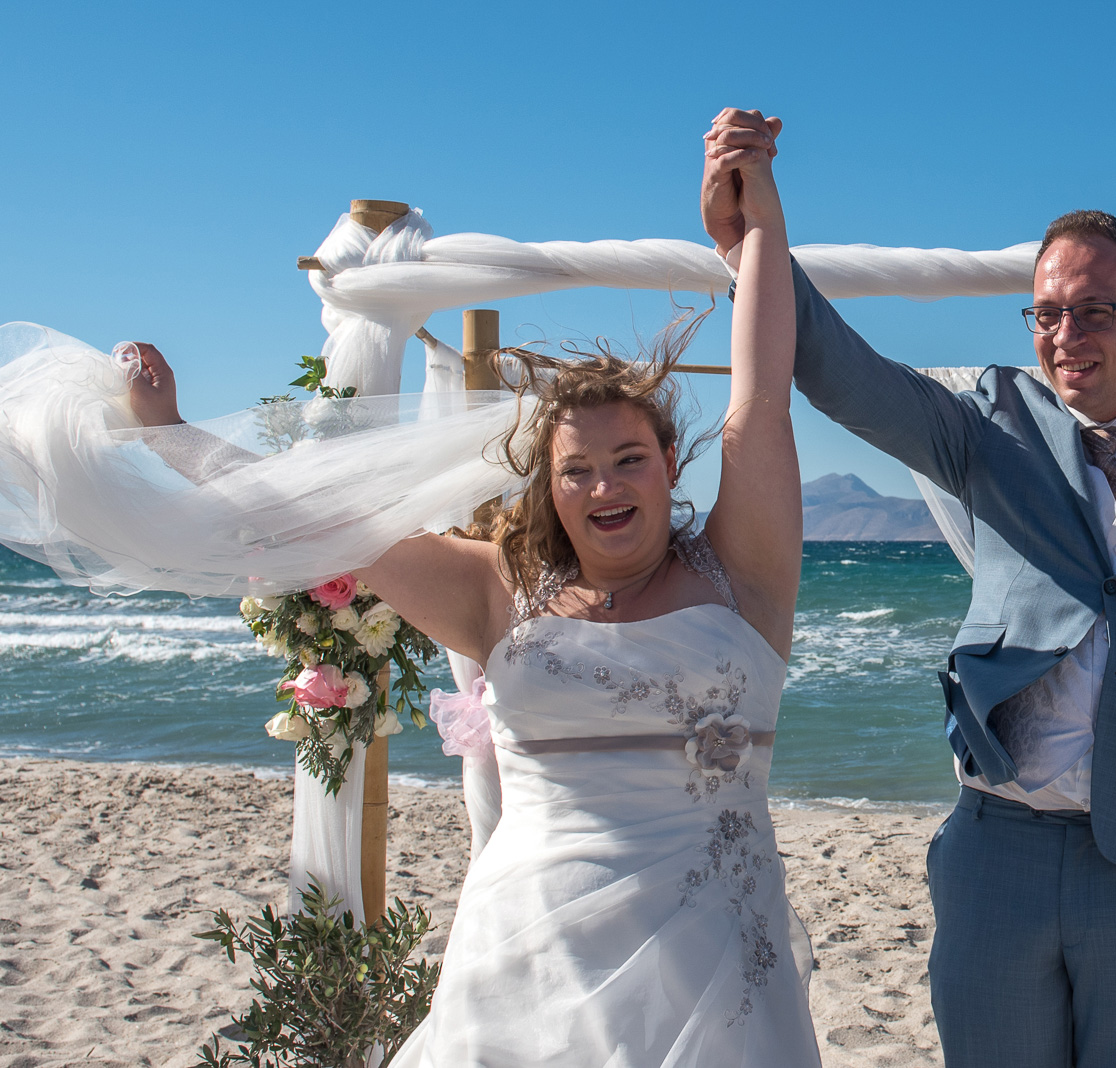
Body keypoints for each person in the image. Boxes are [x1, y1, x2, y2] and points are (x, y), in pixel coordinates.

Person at [25, 130, 818, 1067]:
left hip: (716, 973)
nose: (606, 488)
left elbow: (760, 401)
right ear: (549, 487)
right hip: (530, 963)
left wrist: (754, 227)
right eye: (579, 471)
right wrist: (171, 436)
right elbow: (305, 515)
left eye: (628, 460)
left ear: (669, 464)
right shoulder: (496, 590)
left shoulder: (744, 575)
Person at [702, 108, 1116, 1068]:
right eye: (1045, 312)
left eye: (1092, 312)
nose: (1064, 334)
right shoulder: (988, 425)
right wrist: (750, 241)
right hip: (1000, 852)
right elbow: (839, 369)